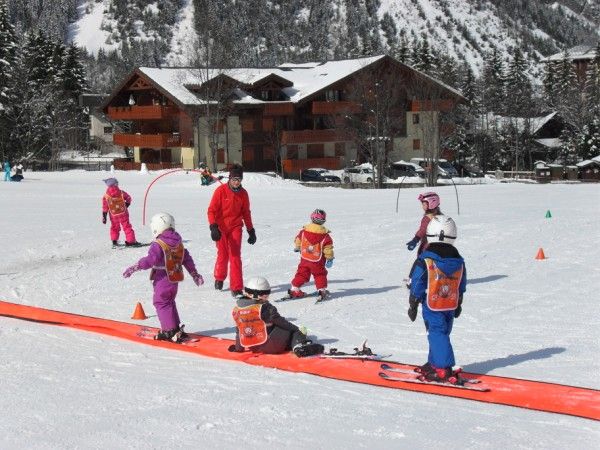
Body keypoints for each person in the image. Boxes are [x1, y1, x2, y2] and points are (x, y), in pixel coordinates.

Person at [123, 212, 204, 342]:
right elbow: (186, 259)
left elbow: (151, 260)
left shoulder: (159, 244)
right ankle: (175, 328)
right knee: (169, 302)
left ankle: (169, 331)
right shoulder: (178, 243)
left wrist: (135, 267)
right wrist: (194, 274)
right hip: (175, 279)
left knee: (161, 302)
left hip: (163, 279)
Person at [407, 215, 467, 384]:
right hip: (450, 303)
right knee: (442, 332)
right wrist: (459, 301)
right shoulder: (458, 260)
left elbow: (417, 281)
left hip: (433, 304)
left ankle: (443, 368)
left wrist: (413, 301)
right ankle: (435, 362)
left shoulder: (426, 259)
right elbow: (462, 280)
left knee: (436, 333)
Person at [229, 276, 324, 357]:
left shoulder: (237, 310)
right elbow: (282, 323)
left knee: (278, 330)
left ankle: (293, 343)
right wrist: (297, 330)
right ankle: (298, 347)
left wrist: (238, 348)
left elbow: (239, 331)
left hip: (253, 346)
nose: (267, 298)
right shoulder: (265, 308)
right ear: (254, 295)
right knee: (293, 330)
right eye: (265, 296)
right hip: (271, 346)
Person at [207, 164, 256, 297]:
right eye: (234, 179)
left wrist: (251, 230)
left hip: (235, 227)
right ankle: (219, 277)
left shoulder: (243, 194)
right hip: (220, 228)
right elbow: (211, 210)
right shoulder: (220, 191)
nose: (236, 182)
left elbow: (246, 213)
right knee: (223, 254)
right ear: (229, 179)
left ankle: (236, 287)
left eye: (239, 180)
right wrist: (213, 227)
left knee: (235, 256)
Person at [288, 209, 334, 300]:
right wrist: (330, 258)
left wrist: (297, 247)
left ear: (311, 218)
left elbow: (298, 239)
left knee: (301, 274)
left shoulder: (304, 231)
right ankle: (321, 290)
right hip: (317, 261)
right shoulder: (325, 236)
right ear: (323, 221)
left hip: (305, 259)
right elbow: (328, 248)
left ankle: (294, 289)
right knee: (320, 274)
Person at [405, 192, 442, 287]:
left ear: (431, 204)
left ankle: (412, 280)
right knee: (435, 263)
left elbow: (422, 230)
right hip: (439, 246)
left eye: (424, 204)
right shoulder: (441, 216)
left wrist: (415, 240)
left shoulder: (427, 218)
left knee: (420, 262)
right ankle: (435, 278)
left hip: (428, 247)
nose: (422, 206)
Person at [101, 177, 140, 247]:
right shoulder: (122, 192)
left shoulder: (106, 196)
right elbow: (129, 198)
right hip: (123, 214)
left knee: (114, 227)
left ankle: (114, 241)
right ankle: (131, 241)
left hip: (113, 216)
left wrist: (104, 216)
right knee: (127, 227)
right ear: (116, 184)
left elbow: (105, 207)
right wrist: (126, 205)